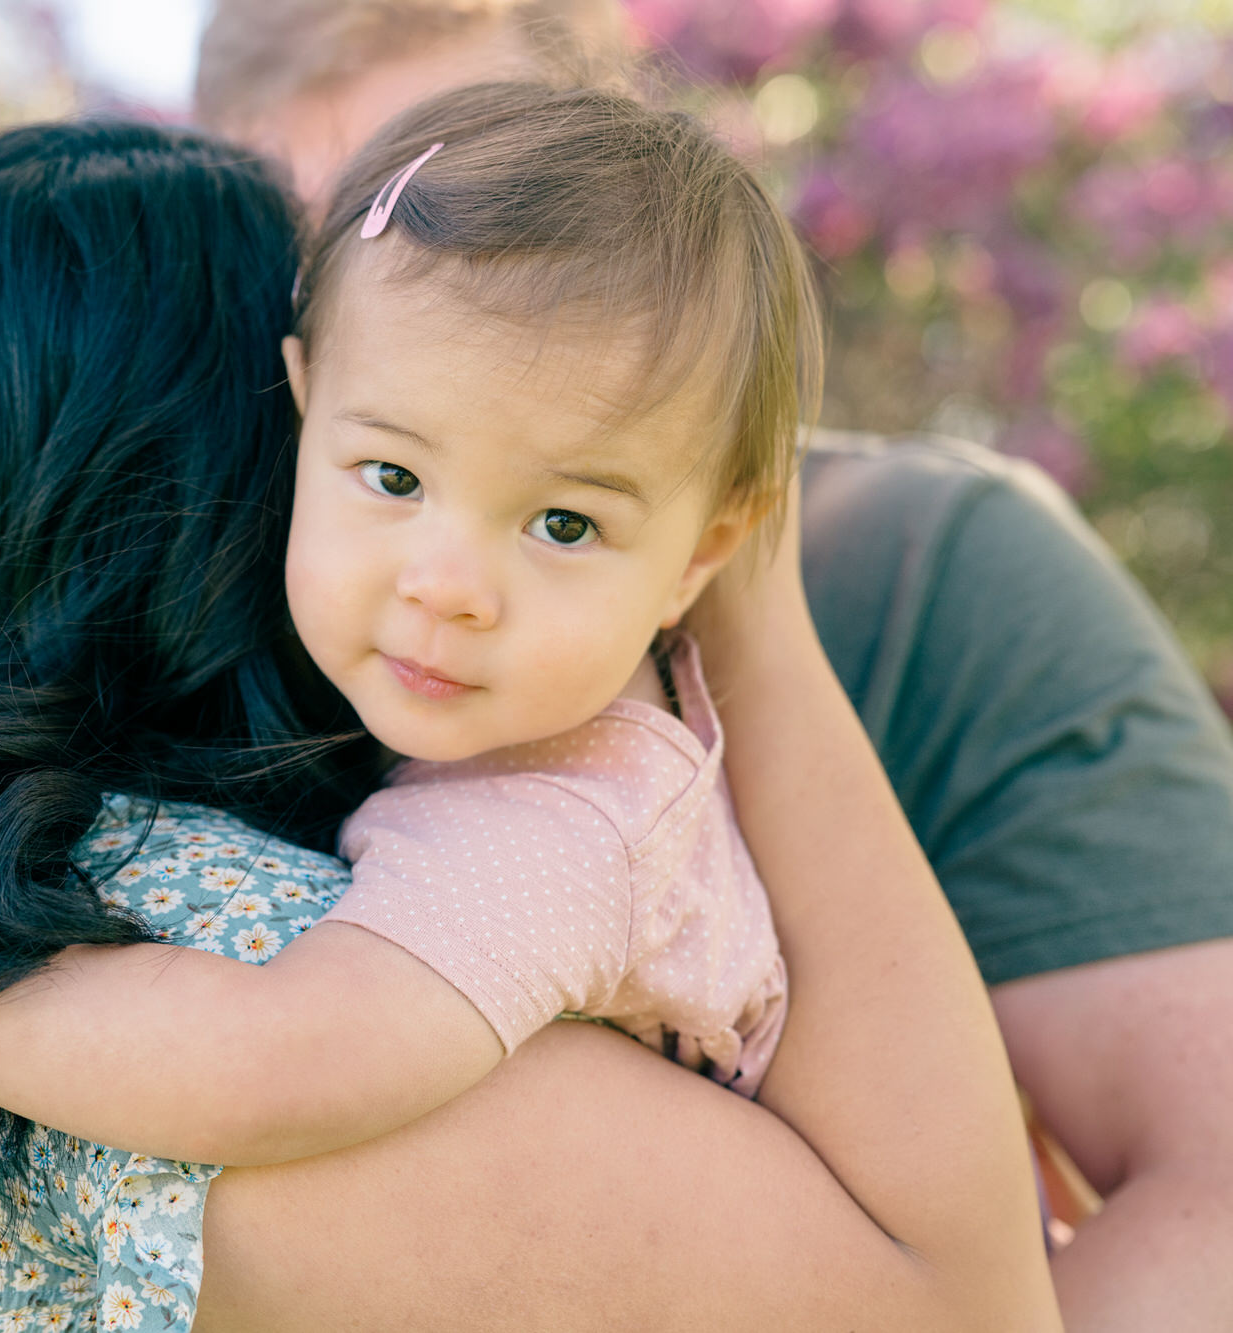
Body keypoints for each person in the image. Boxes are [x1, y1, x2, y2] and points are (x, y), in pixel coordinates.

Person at [0, 103, 1056, 1331]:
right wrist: (751, 608)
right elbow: (970, 1312)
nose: (440, 574)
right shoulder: (221, 959)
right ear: (229, 494)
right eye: (385, 466)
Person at [188, 2, 1233, 1327]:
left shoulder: (930, 569)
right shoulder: (195, 603)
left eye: (502, 196)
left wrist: (750, 615)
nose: (445, 322)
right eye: (321, 246)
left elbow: (1214, 1185)